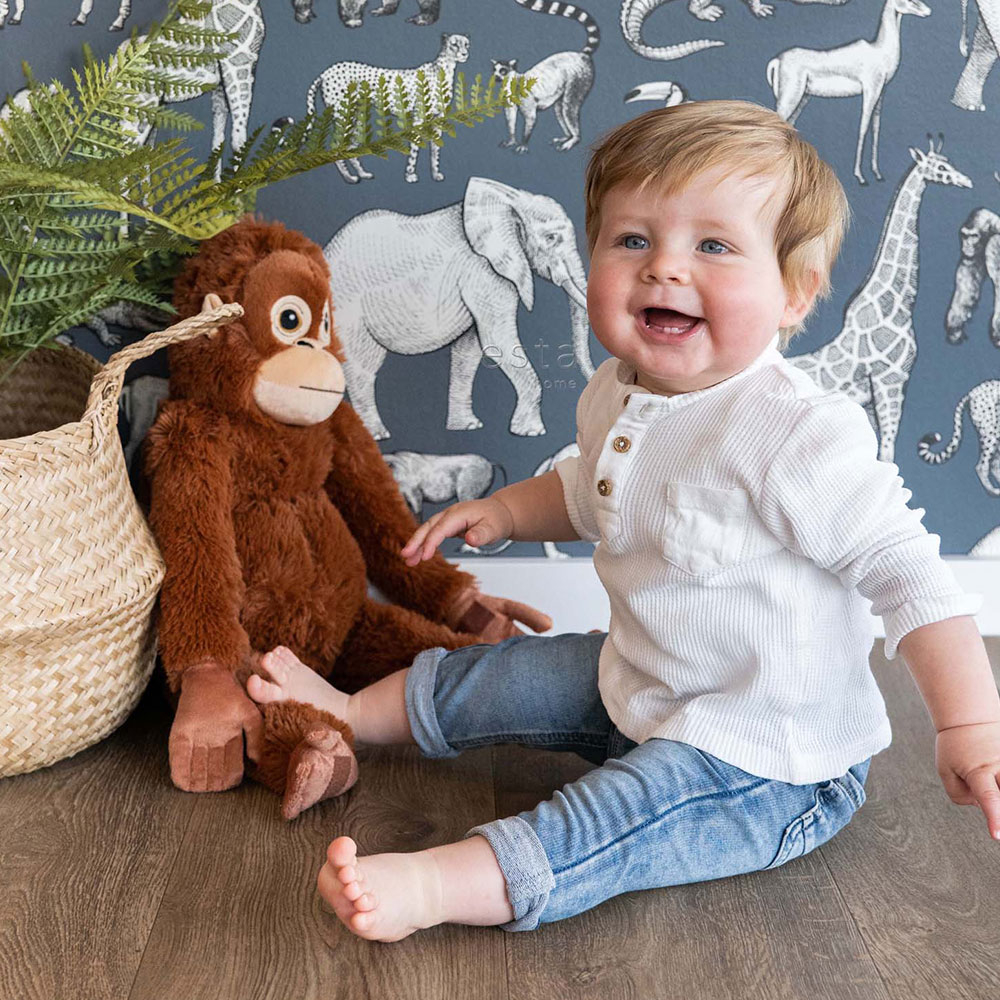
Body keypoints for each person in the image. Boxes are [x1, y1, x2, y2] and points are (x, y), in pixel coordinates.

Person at [247, 100, 1000, 943]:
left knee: (624, 814)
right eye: (632, 240)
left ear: (793, 293)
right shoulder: (618, 386)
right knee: (506, 674)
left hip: (765, 759)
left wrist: (971, 726)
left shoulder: (795, 433)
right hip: (644, 681)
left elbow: (910, 577)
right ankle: (353, 713)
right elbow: (587, 487)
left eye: (713, 246)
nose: (664, 270)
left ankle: (447, 879)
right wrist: (503, 510)